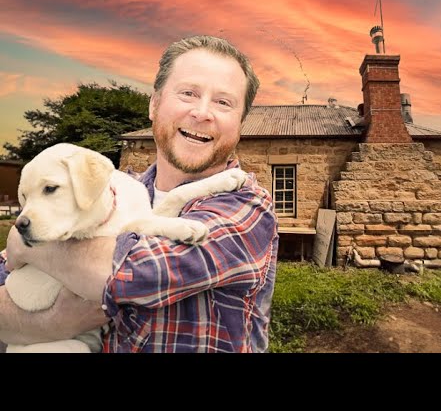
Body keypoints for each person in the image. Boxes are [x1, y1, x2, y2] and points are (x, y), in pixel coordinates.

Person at [0, 35, 279, 353]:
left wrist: (27, 246)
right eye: (188, 93)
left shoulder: (246, 206)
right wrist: (54, 323)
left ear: (240, 123)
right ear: (154, 103)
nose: (202, 113)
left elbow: (135, 272)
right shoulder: (121, 190)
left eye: (223, 102)